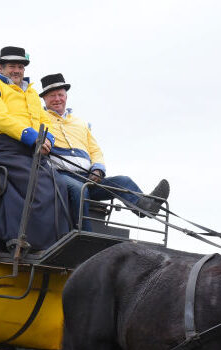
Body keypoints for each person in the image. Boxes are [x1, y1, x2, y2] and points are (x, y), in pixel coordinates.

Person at [39, 73, 169, 231]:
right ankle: (84, 235)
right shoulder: (41, 118)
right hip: (60, 177)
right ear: (44, 99)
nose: (57, 99)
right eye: (52, 96)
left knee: (123, 181)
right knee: (80, 189)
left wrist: (98, 169)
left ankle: (146, 207)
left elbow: (95, 150)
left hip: (86, 177)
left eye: (60, 94)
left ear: (66, 96)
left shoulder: (80, 123)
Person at [0, 47, 70, 251]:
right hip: (1, 147)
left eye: (20, 66)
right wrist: (32, 137)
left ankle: (57, 240)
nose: (17, 70)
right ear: (1, 67)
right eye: (12, 66)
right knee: (37, 181)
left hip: (28, 149)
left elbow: (44, 120)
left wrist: (47, 138)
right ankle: (18, 238)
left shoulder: (32, 93)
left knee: (59, 182)